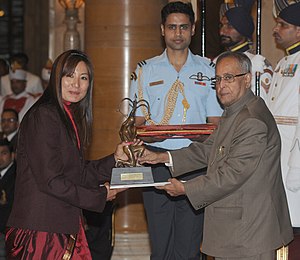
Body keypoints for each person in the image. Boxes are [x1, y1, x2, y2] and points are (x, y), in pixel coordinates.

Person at [139, 51, 293, 260]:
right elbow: (209, 149)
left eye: (229, 78)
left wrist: (185, 188)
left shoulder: (251, 120)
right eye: (218, 79)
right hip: (237, 229)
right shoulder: (236, 111)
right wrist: (163, 157)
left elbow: (233, 174)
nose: (221, 86)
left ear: (247, 79)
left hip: (249, 233)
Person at [5, 49, 133, 259]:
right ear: (57, 77)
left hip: (60, 226)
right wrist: (99, 196)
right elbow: (51, 180)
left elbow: (78, 173)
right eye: (69, 75)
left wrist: (115, 159)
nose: (77, 84)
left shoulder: (66, 115)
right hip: (41, 230)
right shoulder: (44, 115)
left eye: (84, 78)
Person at [129, 2, 223, 259]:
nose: (178, 33)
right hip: (155, 160)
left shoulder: (209, 70)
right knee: (160, 245)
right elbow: (136, 124)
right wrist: (150, 135)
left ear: (193, 29)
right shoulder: (144, 70)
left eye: (183, 27)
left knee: (190, 246)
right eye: (172, 27)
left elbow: (215, 123)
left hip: (196, 161)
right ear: (162, 30)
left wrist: (198, 136)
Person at [266, 1, 300, 259]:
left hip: (294, 164)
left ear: (298, 31)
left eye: (283, 25)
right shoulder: (283, 63)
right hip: (277, 160)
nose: (276, 29)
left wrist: (296, 171)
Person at [217, 0, 273, 100]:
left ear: (243, 28)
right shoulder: (216, 61)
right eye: (221, 25)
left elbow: (261, 105)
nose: (222, 32)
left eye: (229, 26)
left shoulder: (256, 63)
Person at [0, 139, 16, 259]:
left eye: (4, 153)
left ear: (12, 155)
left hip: (7, 233)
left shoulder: (17, 176)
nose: (0, 157)